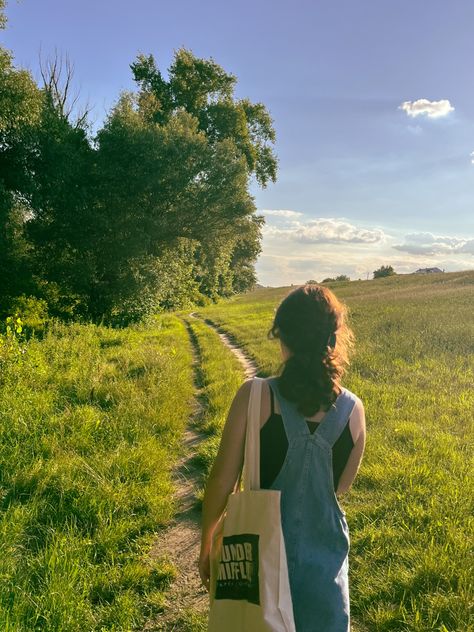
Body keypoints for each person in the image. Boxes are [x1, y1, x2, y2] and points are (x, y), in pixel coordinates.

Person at [199, 283, 366, 631]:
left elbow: (221, 480)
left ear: (282, 336)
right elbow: (341, 486)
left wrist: (206, 545)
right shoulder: (353, 411)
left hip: (258, 572)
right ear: (332, 340)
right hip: (325, 577)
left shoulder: (254, 396)